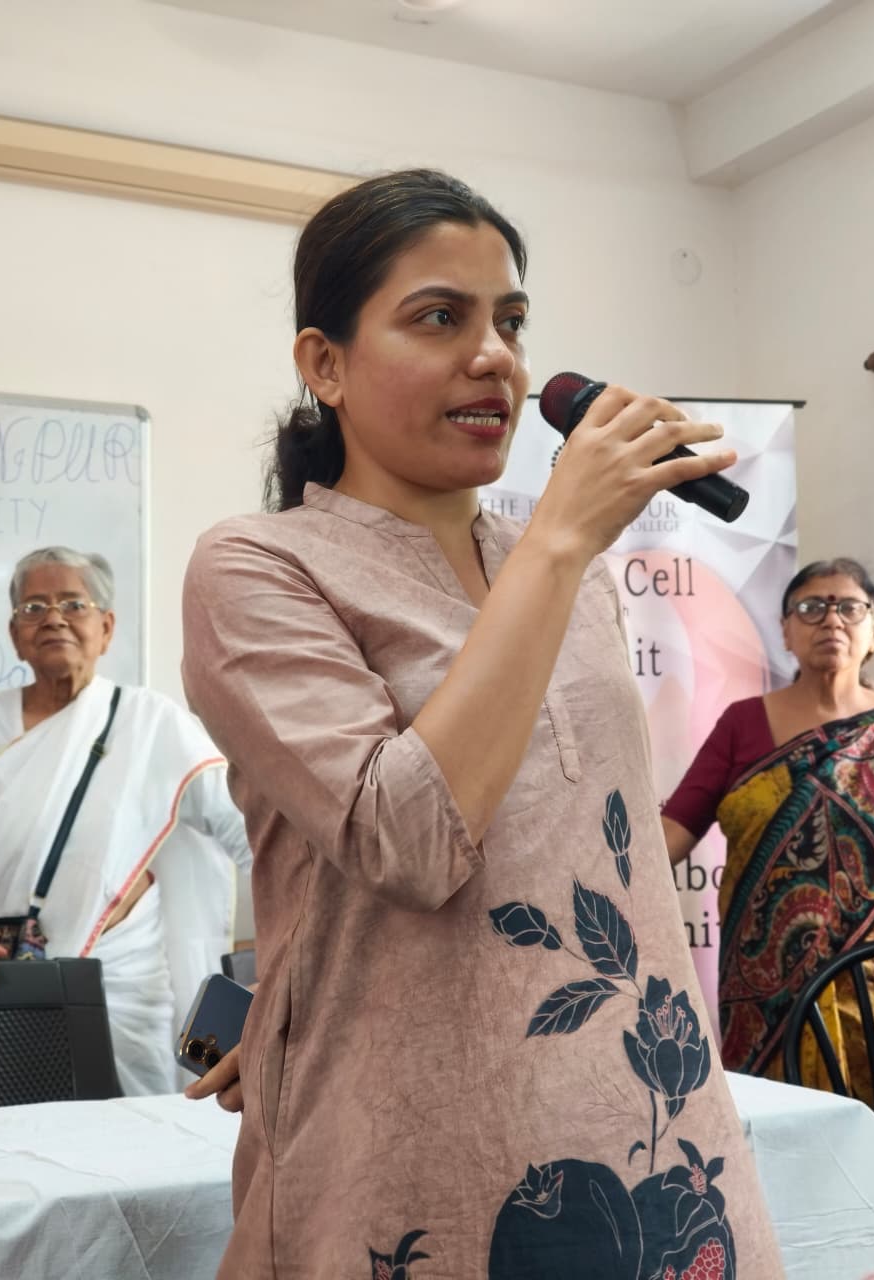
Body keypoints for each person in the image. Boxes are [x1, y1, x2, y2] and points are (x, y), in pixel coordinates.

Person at [182, 168, 783, 1278]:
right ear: (324, 363)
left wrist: (551, 550)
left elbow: (590, 843)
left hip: (655, 1123)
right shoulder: (257, 566)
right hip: (419, 1135)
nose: (495, 355)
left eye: (509, 320)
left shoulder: (569, 571)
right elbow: (407, 842)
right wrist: (559, 539)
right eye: (439, 318)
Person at [0, 546, 253, 1095]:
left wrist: (290, 944)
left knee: (131, 1135)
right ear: (15, 634)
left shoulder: (150, 722)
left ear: (106, 627)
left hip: (121, 983)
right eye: (34, 608)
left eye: (73, 603)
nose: (53, 618)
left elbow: (252, 831)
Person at [663, 558, 874, 1135]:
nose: (831, 619)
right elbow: (672, 834)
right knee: (785, 1142)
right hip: (766, 993)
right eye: (811, 607)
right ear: (785, 631)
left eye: (850, 607)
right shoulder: (743, 725)